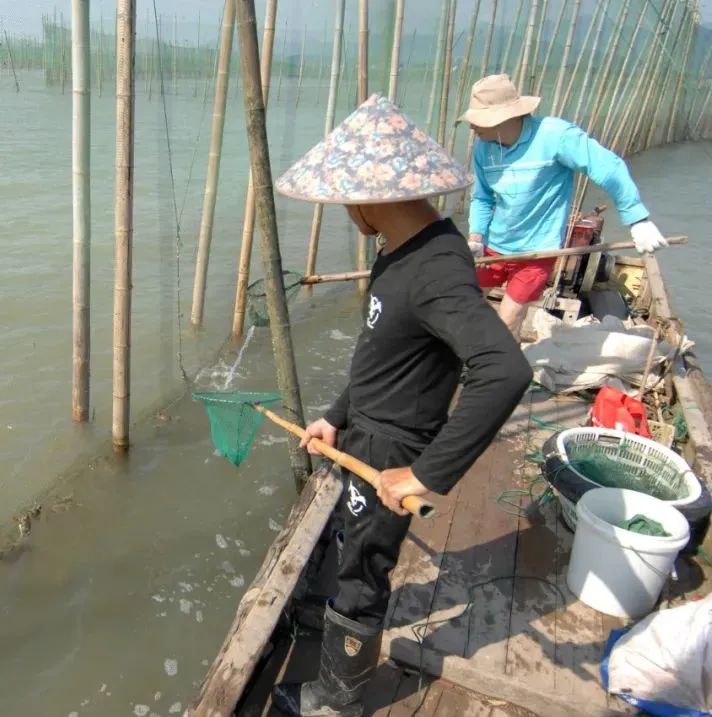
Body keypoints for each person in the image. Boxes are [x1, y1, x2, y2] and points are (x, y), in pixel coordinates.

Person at [270, 94, 532, 717]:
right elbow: (377, 350)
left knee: (364, 566)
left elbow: (504, 369)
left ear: (372, 199)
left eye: (347, 203)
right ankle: (332, 624)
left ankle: (339, 697)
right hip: (364, 428)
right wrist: (336, 414)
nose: (347, 214)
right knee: (351, 540)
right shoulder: (400, 247)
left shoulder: (437, 268)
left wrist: (425, 472)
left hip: (393, 447)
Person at [460, 73, 669, 339]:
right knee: (462, 301)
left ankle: (499, 373)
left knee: (509, 317)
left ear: (503, 118)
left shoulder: (555, 136)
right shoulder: (483, 148)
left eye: (478, 121)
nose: (472, 128)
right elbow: (483, 197)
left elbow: (607, 167)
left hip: (536, 252)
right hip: (493, 247)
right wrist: (476, 237)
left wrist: (637, 219)